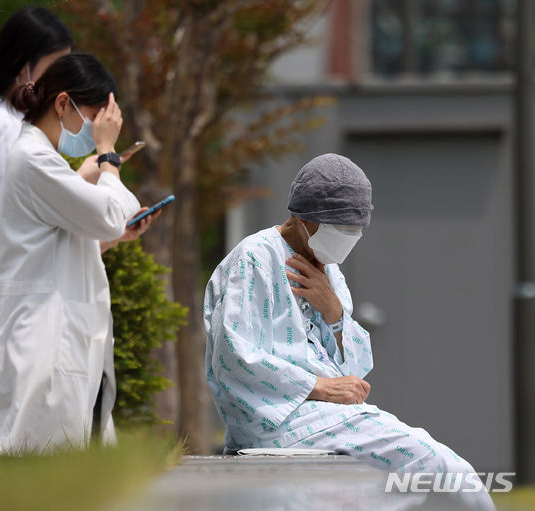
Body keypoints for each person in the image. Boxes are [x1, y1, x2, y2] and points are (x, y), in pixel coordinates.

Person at [203, 154, 495, 510]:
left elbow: (354, 369)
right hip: (279, 420)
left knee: (388, 492)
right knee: (443, 469)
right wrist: (319, 386)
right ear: (303, 215)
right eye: (339, 226)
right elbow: (234, 357)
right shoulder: (253, 259)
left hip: (319, 416)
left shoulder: (328, 268)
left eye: (355, 229)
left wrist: (335, 312)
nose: (347, 237)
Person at [0, 8, 151, 452]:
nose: (98, 129)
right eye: (96, 115)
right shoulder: (32, 158)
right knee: (34, 463)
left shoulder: (41, 158)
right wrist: (107, 156)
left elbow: (81, 229)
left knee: (55, 467)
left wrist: (114, 226)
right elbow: (108, 212)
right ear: (62, 103)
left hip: (56, 327)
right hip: (43, 334)